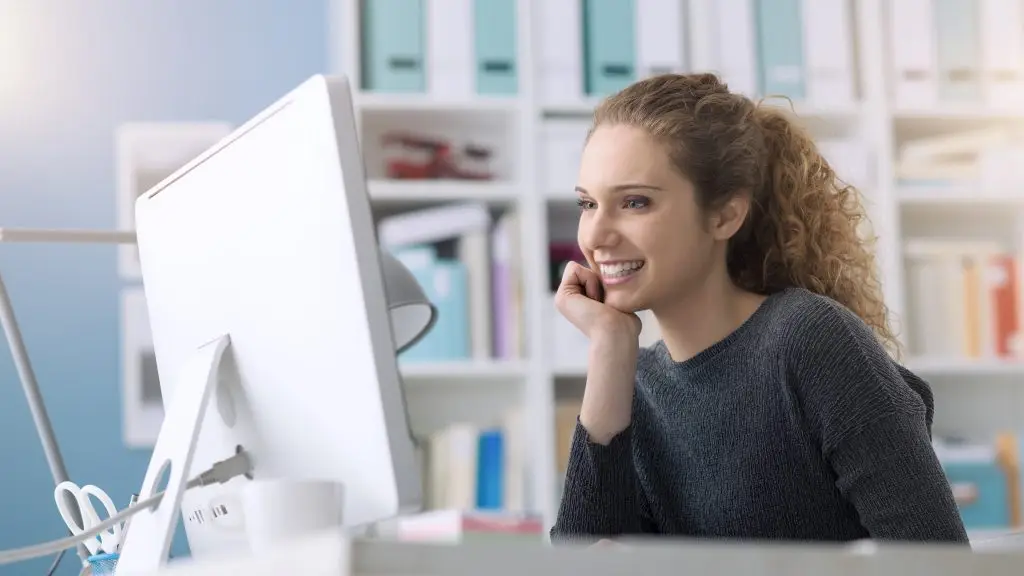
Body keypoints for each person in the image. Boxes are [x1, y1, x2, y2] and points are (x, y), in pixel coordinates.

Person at [551, 72, 969, 545]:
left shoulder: (811, 340)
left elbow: (939, 563)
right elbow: (580, 564)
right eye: (588, 204)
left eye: (634, 202)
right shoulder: (636, 384)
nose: (595, 236)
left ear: (725, 214)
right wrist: (609, 348)